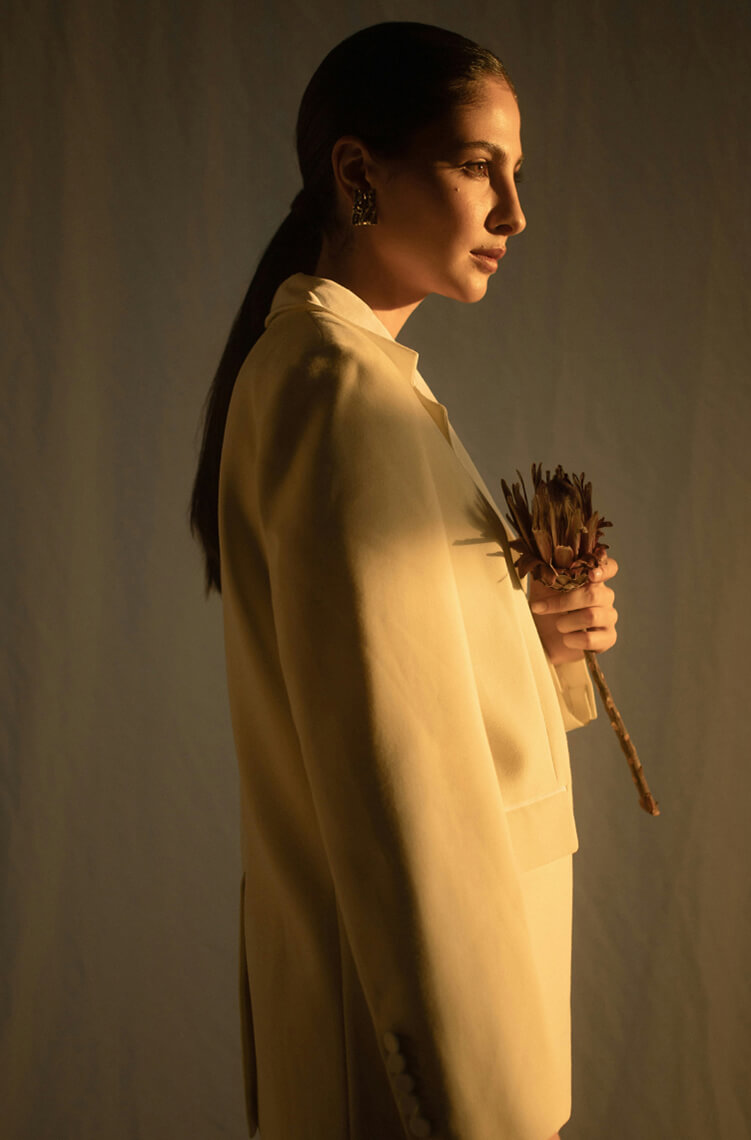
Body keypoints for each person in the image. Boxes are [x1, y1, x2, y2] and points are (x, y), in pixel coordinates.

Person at [190, 22, 618, 1140]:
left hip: (408, 1034)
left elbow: (407, 714)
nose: (512, 211)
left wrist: (535, 646)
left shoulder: (357, 383)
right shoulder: (342, 394)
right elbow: (403, 801)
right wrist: (473, 1110)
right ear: (357, 173)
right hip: (423, 1059)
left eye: (515, 173)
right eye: (478, 165)